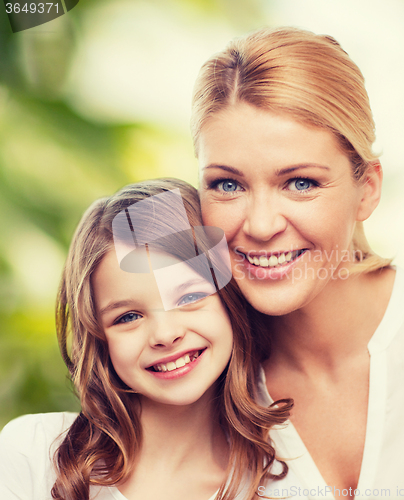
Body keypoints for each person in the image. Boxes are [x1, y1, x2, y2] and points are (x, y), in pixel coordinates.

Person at [191, 27, 404, 498]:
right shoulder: (191, 381)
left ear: (368, 189)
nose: (259, 225)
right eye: (228, 185)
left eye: (300, 183)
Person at [0, 178, 295, 500]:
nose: (166, 335)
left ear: (231, 301)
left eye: (189, 296)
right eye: (128, 317)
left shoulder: (281, 483)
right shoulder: (34, 454)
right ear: (99, 339)